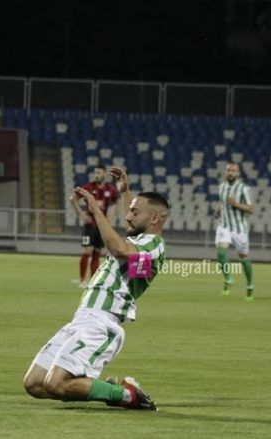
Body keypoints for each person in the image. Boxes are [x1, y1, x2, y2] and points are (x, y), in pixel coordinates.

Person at [24, 166, 168, 410]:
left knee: (56, 384)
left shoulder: (155, 245)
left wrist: (96, 210)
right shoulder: (140, 241)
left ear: (154, 219)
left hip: (102, 322)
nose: (128, 217)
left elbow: (119, 248)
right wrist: (125, 192)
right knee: (34, 384)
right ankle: (104, 388)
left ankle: (127, 395)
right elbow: (131, 232)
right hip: (82, 318)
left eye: (134, 212)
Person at [70, 165, 119, 288]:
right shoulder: (89, 187)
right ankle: (82, 280)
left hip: (101, 226)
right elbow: (72, 199)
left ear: (104, 174)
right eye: (95, 173)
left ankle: (93, 281)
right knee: (87, 251)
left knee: (97, 252)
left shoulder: (110, 189)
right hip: (90, 225)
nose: (96, 175)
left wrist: (112, 216)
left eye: (99, 173)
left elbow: (117, 201)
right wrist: (81, 214)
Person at [214, 161, 255, 301]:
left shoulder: (244, 189)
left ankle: (250, 285)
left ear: (238, 173)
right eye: (228, 170)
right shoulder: (222, 187)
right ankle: (228, 278)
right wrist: (218, 211)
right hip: (224, 226)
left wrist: (236, 204)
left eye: (233, 170)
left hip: (239, 229)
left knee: (243, 257)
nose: (230, 173)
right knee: (221, 251)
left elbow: (251, 209)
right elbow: (221, 202)